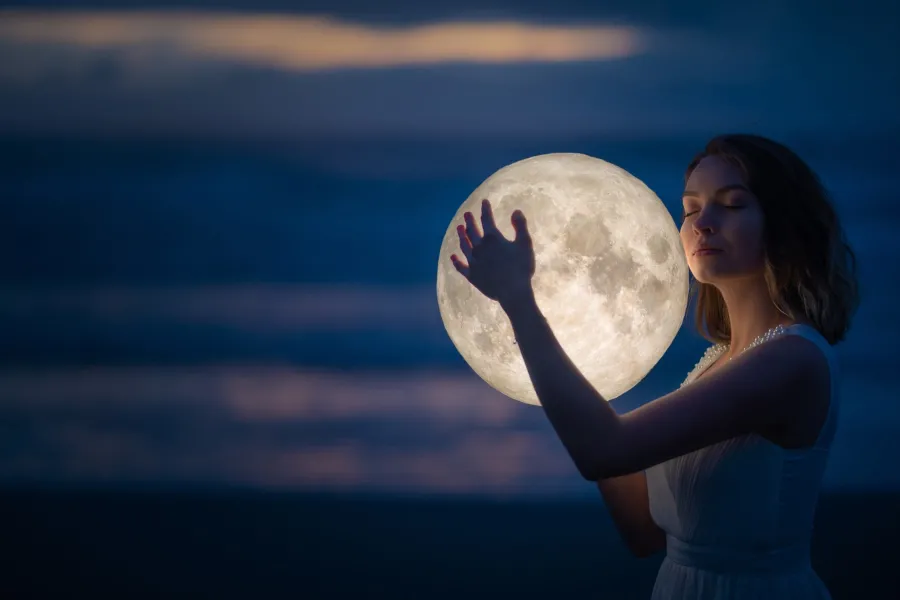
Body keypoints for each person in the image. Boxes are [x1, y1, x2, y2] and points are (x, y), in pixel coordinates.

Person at [450, 133, 859, 599]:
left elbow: (603, 451)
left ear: (783, 224)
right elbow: (644, 531)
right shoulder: (719, 362)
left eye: (732, 204)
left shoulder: (791, 361)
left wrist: (520, 302)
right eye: (690, 208)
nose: (703, 222)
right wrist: (577, 351)